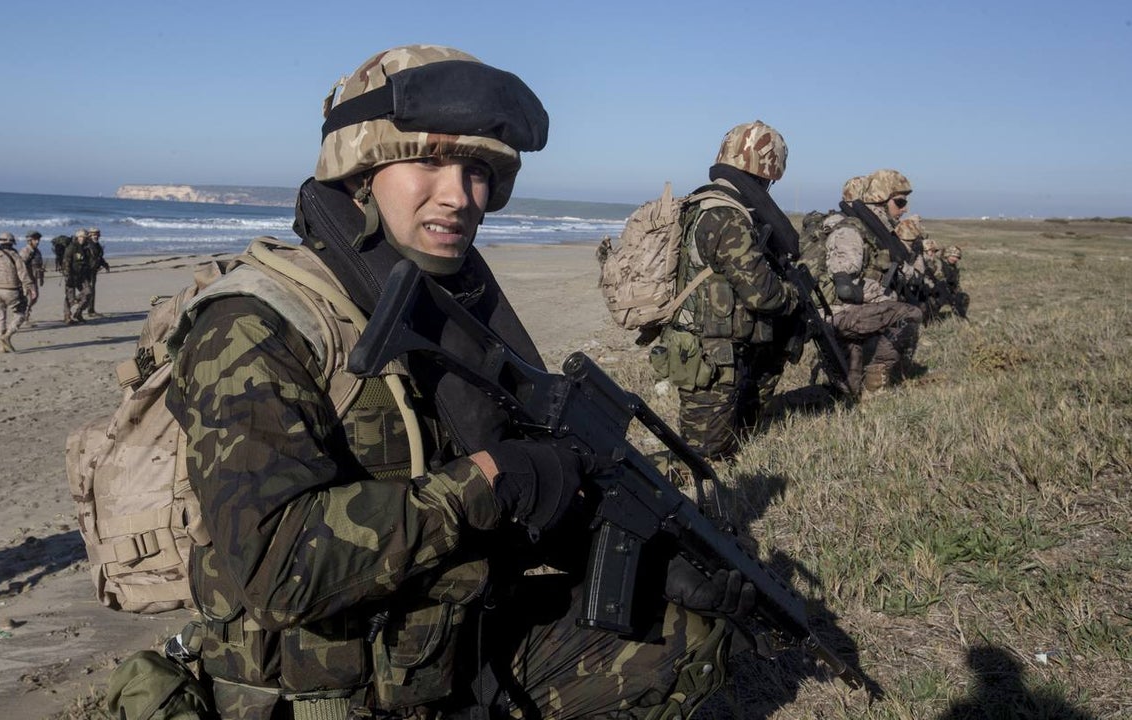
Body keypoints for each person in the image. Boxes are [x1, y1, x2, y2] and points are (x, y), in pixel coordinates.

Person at [162, 45, 749, 720]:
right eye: (429, 160)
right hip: (328, 696)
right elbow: (278, 568)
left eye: (476, 171)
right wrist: (491, 480)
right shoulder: (256, 325)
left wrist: (646, 557)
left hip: (442, 653)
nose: (458, 194)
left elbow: (532, 479)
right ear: (361, 168)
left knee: (684, 636)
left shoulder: (448, 306)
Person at [656, 121, 799, 458]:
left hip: (710, 347)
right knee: (702, 457)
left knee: (732, 441)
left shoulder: (702, 202)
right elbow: (763, 294)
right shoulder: (726, 216)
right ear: (766, 173)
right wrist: (793, 295)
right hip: (709, 355)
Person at [824, 169, 923, 397]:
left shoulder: (874, 233)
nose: (904, 209)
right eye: (899, 202)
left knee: (847, 392)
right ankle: (874, 388)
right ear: (880, 201)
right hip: (839, 313)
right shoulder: (851, 231)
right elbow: (845, 288)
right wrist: (882, 296)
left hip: (852, 313)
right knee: (909, 314)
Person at [0, 232, 36, 352]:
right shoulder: (15, 256)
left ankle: (2, 346)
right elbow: (23, 273)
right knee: (20, 313)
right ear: (12, 243)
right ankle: (7, 336)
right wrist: (30, 287)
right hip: (12, 291)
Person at [61, 228, 93, 324]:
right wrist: (67, 275)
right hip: (71, 275)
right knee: (69, 298)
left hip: (82, 276)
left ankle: (78, 313)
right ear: (77, 237)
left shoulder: (87, 248)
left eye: (84, 237)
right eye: (81, 237)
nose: (82, 239)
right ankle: (67, 316)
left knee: (88, 293)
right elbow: (66, 261)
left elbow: (87, 263)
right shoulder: (72, 247)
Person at [20, 230, 46, 325]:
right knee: (28, 298)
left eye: (38, 239)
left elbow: (39, 265)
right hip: (27, 279)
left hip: (34, 278)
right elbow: (21, 265)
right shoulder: (26, 251)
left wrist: (41, 277)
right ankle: (23, 317)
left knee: (34, 298)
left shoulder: (37, 251)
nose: (37, 241)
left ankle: (25, 314)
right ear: (29, 240)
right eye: (35, 240)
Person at [83, 226, 110, 316]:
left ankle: (91, 310)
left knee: (92, 291)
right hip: (86, 272)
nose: (96, 236)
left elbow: (99, 257)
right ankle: (82, 310)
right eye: (94, 234)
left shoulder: (97, 245)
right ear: (90, 235)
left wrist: (105, 265)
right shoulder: (86, 245)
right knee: (88, 291)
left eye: (97, 234)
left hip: (93, 271)